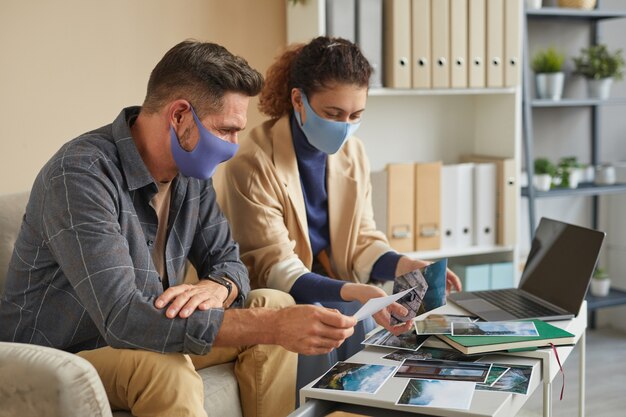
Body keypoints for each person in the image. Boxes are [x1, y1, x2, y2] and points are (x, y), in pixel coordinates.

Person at [0, 40, 359, 417]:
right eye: (226, 130)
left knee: (274, 302)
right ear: (180, 116)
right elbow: (125, 319)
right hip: (60, 357)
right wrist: (268, 326)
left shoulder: (190, 173)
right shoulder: (81, 175)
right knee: (165, 368)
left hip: (142, 334)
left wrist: (217, 286)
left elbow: (230, 262)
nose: (234, 146)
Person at [216, 36, 463, 390]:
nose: (345, 126)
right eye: (333, 114)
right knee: (335, 313)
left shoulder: (354, 154)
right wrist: (356, 292)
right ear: (298, 100)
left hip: (333, 283)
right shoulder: (252, 162)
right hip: (282, 292)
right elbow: (276, 267)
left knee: (359, 316)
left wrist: (403, 265)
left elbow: (362, 240)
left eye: (356, 116)